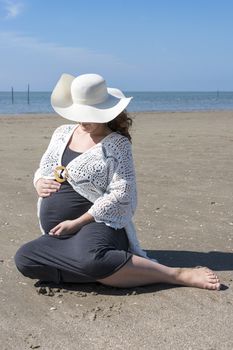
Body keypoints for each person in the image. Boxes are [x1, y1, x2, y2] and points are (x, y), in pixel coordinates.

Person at [14, 73, 221, 290]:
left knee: (91, 258)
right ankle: (112, 271)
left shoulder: (117, 145)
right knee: (24, 259)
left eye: (89, 115)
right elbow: (44, 168)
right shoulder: (62, 133)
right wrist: (38, 181)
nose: (83, 121)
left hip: (98, 226)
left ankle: (175, 275)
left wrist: (77, 222)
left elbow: (122, 193)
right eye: (79, 113)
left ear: (104, 112)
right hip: (59, 233)